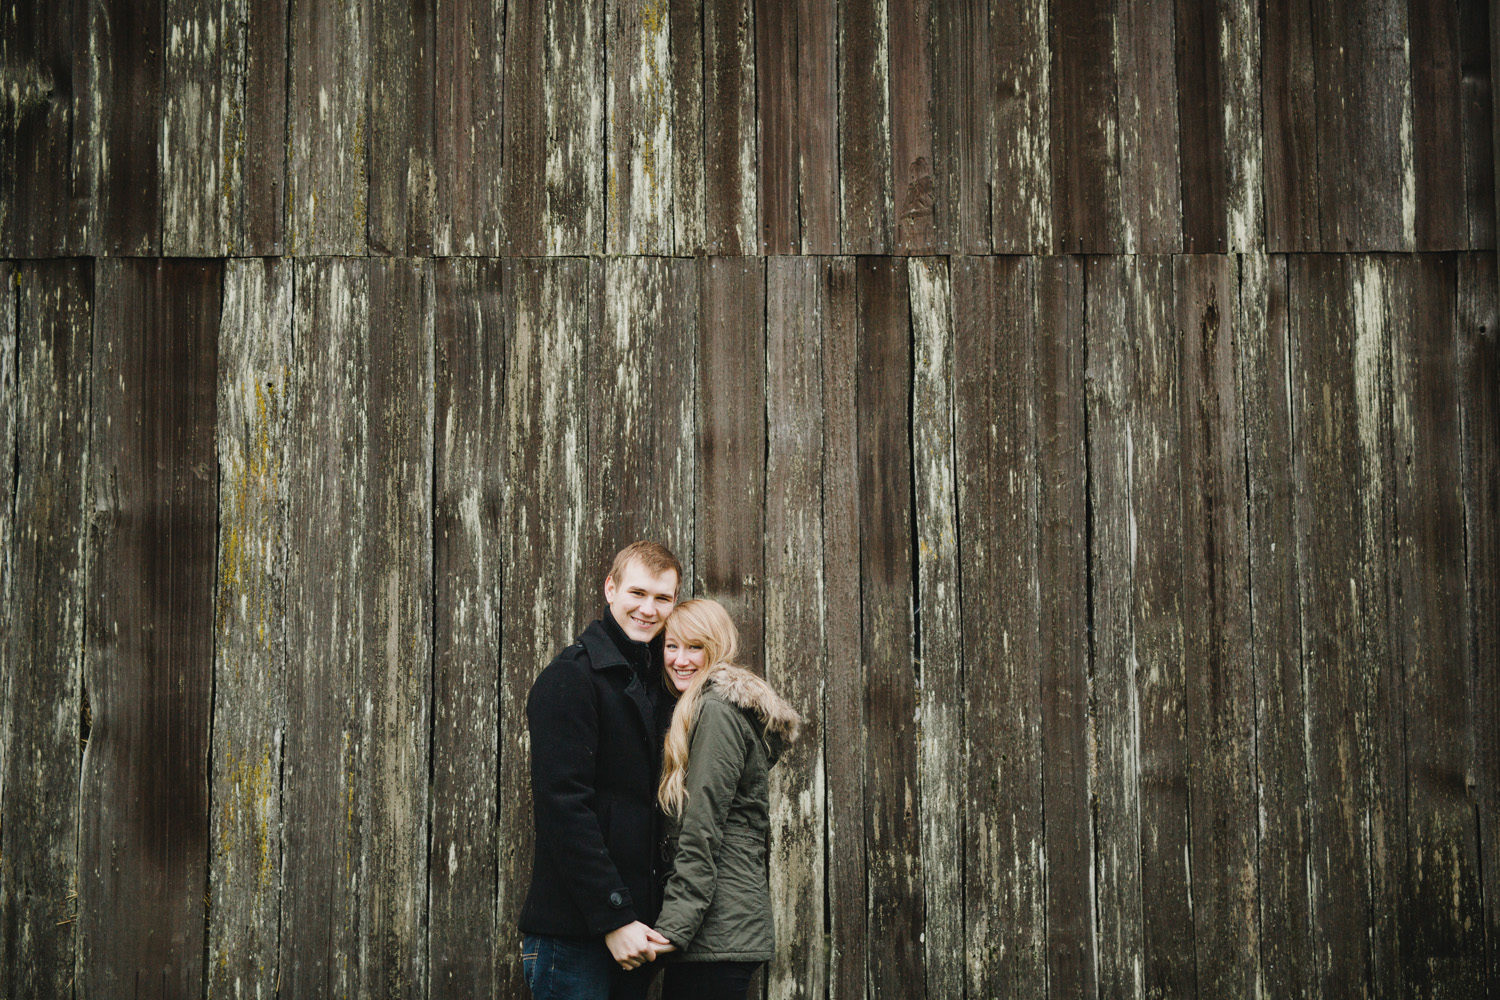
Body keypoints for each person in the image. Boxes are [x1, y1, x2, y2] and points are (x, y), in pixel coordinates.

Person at [518, 541, 683, 1000]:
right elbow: (563, 808)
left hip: (637, 937)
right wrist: (614, 918)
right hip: (576, 938)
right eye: (637, 593)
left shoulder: (660, 682)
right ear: (611, 589)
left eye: (662, 598)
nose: (648, 609)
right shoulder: (571, 678)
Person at [650, 599, 801, 1000]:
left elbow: (702, 825)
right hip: (715, 929)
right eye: (671, 646)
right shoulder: (701, 708)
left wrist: (675, 925)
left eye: (695, 647)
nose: (680, 660)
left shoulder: (716, 711)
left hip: (716, 930)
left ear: (717, 647)